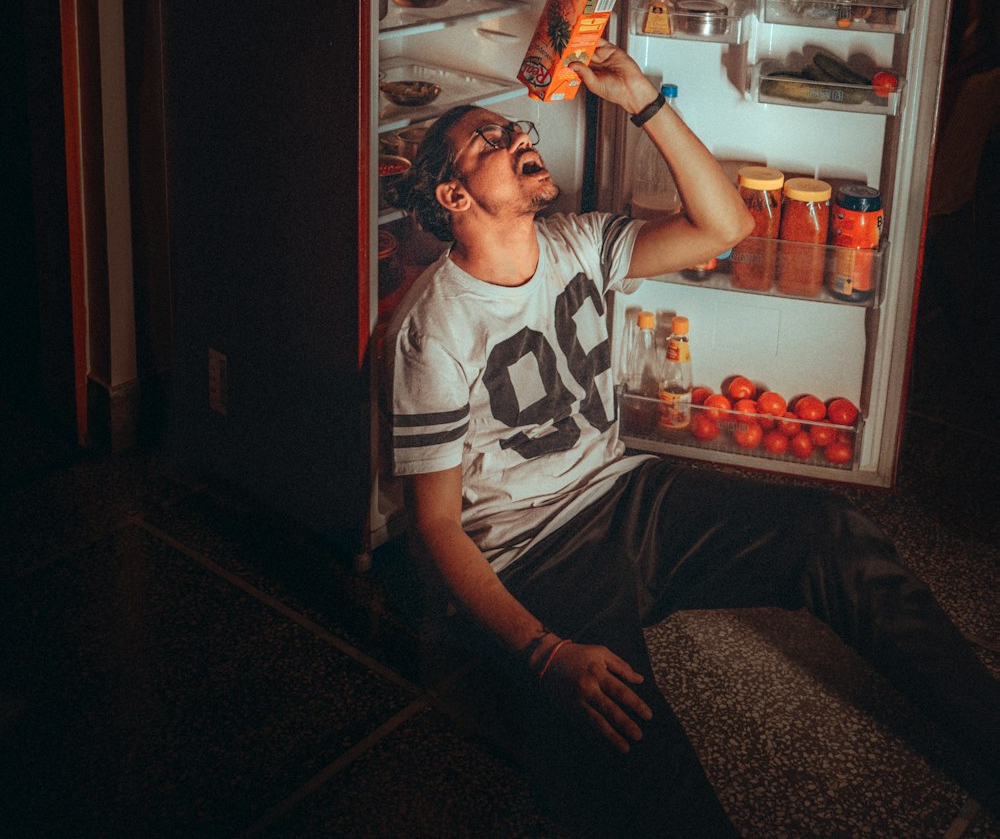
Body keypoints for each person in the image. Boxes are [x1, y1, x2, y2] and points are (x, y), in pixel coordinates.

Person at [387, 41, 999, 836]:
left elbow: (727, 224)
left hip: (625, 493)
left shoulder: (578, 243)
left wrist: (643, 98)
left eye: (516, 130)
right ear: (454, 195)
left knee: (830, 533)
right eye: (491, 143)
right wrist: (543, 652)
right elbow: (434, 526)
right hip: (532, 553)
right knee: (636, 752)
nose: (519, 140)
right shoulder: (432, 332)